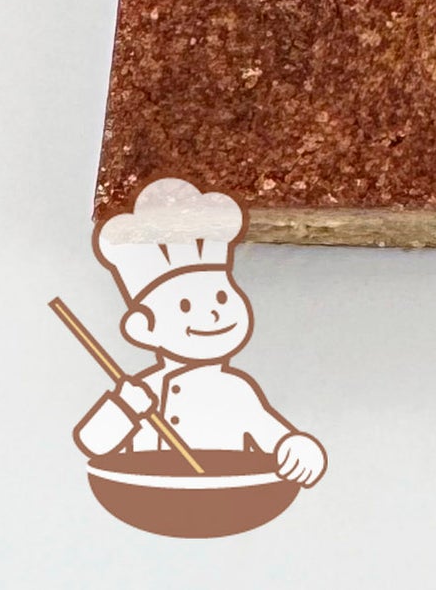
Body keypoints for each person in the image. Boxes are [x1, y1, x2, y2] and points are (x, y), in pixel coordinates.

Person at [73, 178, 326, 487]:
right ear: (143, 328)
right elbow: (94, 443)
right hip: (145, 495)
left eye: (221, 297)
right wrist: (124, 408)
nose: (213, 313)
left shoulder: (235, 391)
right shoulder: (142, 391)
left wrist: (298, 448)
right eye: (184, 305)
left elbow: (274, 437)